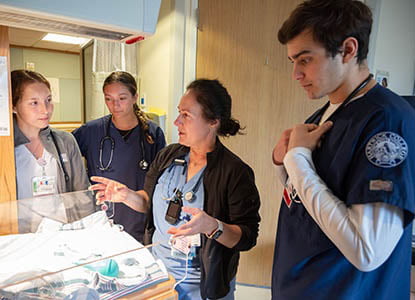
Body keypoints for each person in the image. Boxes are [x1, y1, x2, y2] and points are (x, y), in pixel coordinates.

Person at [271, 0, 415, 299]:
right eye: (292, 62)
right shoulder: (327, 113)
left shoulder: (386, 121)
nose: (295, 74)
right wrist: (282, 162)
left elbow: (367, 251)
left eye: (305, 59)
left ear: (348, 50)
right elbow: (307, 197)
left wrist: (297, 160)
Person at [90, 79, 261, 300]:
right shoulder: (169, 156)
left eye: (186, 116)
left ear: (213, 122)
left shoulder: (234, 172)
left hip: (203, 284)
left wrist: (212, 225)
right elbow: (147, 202)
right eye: (179, 113)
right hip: (158, 274)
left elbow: (246, 238)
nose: (176, 122)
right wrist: (126, 195)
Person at [73, 71, 166, 242]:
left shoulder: (153, 134)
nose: (115, 105)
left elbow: (162, 181)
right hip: (101, 217)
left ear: (134, 97)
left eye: (122, 98)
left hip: (139, 218)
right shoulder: (91, 131)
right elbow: (66, 154)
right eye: (109, 99)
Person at [12, 69, 89, 200]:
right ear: (13, 106)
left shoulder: (65, 141)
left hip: (63, 220)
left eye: (48, 100)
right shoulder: (6, 148)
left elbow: (82, 194)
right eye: (34, 103)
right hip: (18, 221)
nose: (45, 110)